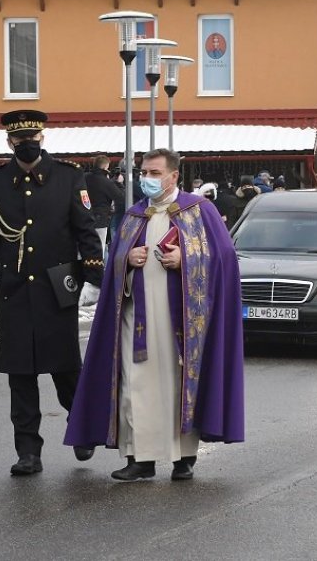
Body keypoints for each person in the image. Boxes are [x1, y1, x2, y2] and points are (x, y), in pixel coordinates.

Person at [65, 148, 244, 482]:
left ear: (174, 176)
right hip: (138, 320)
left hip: (182, 323)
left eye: (154, 173)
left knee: (178, 385)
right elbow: (114, 262)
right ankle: (140, 459)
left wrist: (187, 258)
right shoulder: (134, 216)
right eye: (143, 172)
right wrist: (126, 261)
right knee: (135, 385)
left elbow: (224, 260)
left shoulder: (199, 211)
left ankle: (183, 459)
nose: (147, 179)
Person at [0, 109, 104, 476]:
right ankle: (28, 451)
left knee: (65, 367)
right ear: (9, 142)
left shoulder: (67, 176)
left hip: (57, 285)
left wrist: (93, 278)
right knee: (20, 374)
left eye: (32, 138)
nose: (26, 144)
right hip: (15, 289)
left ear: (43, 138)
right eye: (19, 140)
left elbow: (86, 232)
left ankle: (82, 430)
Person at [85, 155, 122, 258]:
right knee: (99, 248)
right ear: (106, 167)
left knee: (84, 248)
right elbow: (120, 197)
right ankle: (97, 272)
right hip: (100, 219)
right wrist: (118, 184)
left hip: (83, 218)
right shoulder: (106, 182)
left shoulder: (84, 177)